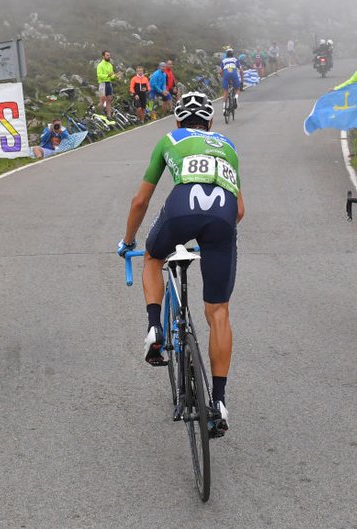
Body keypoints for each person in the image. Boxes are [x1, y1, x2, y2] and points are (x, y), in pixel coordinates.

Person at [117, 92, 245, 437]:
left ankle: (154, 328)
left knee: (152, 257)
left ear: (178, 123)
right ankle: (218, 402)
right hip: (222, 217)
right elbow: (240, 211)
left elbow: (141, 199)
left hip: (181, 207)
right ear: (210, 124)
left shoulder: (169, 139)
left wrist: (128, 240)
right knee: (218, 311)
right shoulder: (228, 146)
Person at [96, 50, 118, 119]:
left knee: (109, 100)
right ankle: (100, 114)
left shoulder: (110, 65)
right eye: (107, 55)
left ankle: (109, 116)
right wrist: (108, 75)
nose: (109, 56)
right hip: (102, 83)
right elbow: (99, 75)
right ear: (103, 56)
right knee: (102, 100)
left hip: (109, 83)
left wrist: (115, 76)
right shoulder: (100, 65)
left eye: (109, 55)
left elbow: (111, 76)